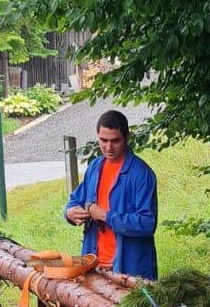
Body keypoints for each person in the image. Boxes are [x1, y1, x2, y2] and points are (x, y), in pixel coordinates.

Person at [64, 110, 158, 277]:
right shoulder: (94, 167)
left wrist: (106, 216)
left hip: (131, 270)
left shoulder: (142, 174)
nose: (109, 147)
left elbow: (147, 223)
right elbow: (75, 200)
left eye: (115, 141)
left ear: (127, 137)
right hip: (93, 264)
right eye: (103, 140)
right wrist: (70, 213)